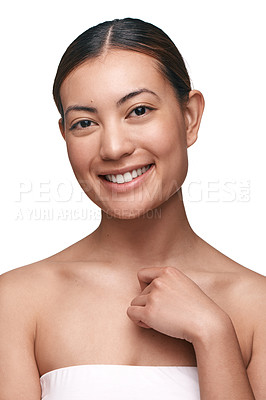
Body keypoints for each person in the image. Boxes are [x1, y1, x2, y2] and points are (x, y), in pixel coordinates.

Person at [0, 17, 265, 400]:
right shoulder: (17, 302)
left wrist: (213, 334)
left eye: (138, 111)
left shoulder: (258, 308)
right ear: (64, 136)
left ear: (189, 117)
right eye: (85, 123)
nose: (113, 148)